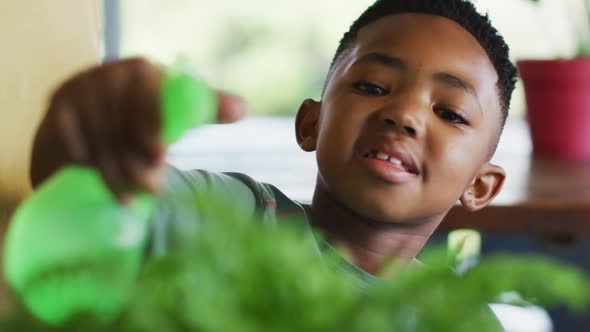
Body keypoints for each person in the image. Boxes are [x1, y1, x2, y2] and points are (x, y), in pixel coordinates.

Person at [29, 0, 517, 280]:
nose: (404, 114)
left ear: (480, 186)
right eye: (371, 87)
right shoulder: (238, 217)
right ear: (310, 124)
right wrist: (88, 148)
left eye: (449, 112)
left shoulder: (461, 319)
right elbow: (103, 202)